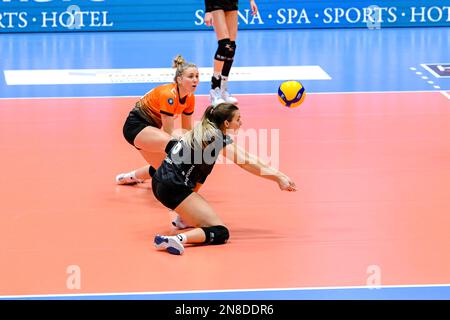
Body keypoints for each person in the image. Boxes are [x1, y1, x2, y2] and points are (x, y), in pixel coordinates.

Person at [151, 102, 297, 255]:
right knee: (220, 232)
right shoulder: (215, 137)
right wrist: (278, 178)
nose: (241, 122)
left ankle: (183, 219)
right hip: (172, 188)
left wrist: (280, 175)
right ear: (226, 123)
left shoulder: (203, 129)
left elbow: (199, 176)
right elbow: (245, 162)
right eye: (238, 119)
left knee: (196, 194)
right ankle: (176, 239)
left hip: (160, 180)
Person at [115, 55, 199, 185]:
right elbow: (169, 132)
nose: (195, 80)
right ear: (179, 79)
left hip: (151, 129)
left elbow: (187, 130)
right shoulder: (169, 94)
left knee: (165, 168)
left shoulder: (190, 98)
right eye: (191, 76)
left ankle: (130, 177)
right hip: (136, 127)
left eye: (197, 76)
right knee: (176, 148)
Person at [204, 0, 258, 106]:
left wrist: (251, 1)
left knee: (231, 48)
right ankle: (214, 90)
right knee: (224, 45)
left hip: (232, 2)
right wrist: (208, 10)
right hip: (216, 4)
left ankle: (223, 91)